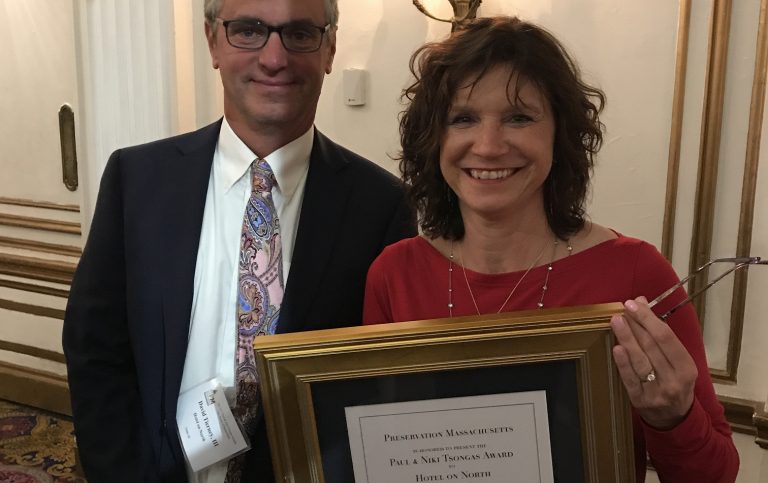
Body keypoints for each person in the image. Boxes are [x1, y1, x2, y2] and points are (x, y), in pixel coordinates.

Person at [363, 16, 738, 483]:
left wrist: (673, 417)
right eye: (462, 119)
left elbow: (714, 475)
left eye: (519, 117)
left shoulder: (636, 273)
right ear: (433, 138)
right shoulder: (394, 274)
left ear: (560, 134)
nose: (488, 146)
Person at [62, 0, 416, 481]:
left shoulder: (380, 205)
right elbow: (95, 346)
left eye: (299, 33)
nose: (274, 58)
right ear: (213, 41)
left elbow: (376, 383)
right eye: (248, 31)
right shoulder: (137, 179)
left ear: (330, 48)